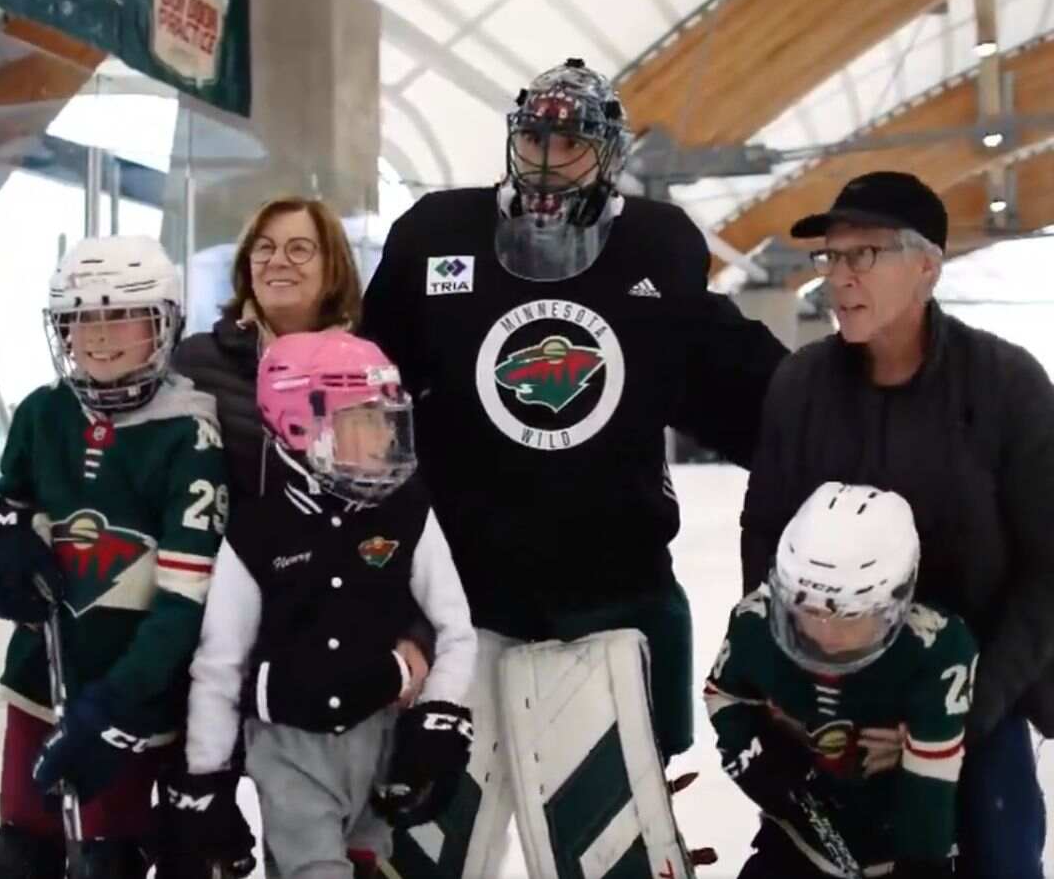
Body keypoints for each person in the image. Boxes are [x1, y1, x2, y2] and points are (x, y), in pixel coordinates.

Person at [360, 57, 788, 877]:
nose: (550, 157)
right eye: (536, 135)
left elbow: (736, 382)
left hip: (607, 610)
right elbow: (368, 394)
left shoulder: (658, 246)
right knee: (426, 854)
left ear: (609, 154)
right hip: (457, 611)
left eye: (572, 141)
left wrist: (846, 410)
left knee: (610, 856)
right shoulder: (433, 236)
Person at [741, 170, 1051, 878]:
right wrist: (776, 680)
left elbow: (1048, 567)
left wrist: (968, 713)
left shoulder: (1007, 386)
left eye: (862, 256)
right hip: (829, 697)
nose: (836, 278)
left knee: (998, 860)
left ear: (927, 266)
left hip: (972, 697)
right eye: (830, 257)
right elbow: (764, 533)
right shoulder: (801, 386)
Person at [0, 236, 228, 878]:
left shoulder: (190, 432)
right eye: (81, 317)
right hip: (37, 684)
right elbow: (6, 506)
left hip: (130, 697)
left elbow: (186, 598)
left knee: (107, 862)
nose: (97, 336)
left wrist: (121, 700)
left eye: (120, 315)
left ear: (165, 324)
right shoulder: (43, 413)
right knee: (17, 858)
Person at [163, 331, 476, 879]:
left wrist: (440, 715)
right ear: (298, 425)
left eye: (386, 419)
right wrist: (206, 777)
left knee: (368, 867)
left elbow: (455, 629)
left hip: (380, 741)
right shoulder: (255, 530)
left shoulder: (408, 512)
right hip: (289, 750)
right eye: (363, 421)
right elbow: (220, 663)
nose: (383, 437)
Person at [173, 196, 434, 682]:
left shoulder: (373, 368)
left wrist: (418, 634)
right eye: (265, 248)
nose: (278, 261)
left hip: (343, 626)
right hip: (216, 630)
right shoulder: (196, 363)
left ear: (331, 266)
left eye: (299, 249)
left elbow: (405, 508)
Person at [710, 482, 976, 878]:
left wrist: (922, 867)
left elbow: (930, 790)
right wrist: (760, 766)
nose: (827, 633)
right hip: (801, 840)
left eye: (851, 614)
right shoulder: (753, 624)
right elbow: (724, 696)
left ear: (897, 601)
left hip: (897, 844)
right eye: (808, 608)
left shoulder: (936, 648)